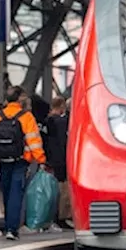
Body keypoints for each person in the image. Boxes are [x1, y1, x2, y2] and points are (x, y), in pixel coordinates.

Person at [0, 86, 48, 241]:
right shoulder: (26, 117)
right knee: (16, 193)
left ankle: (7, 224)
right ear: (20, 99)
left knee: (5, 191)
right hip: (20, 161)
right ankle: (12, 228)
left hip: (2, 160)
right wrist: (41, 160)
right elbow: (34, 141)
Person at [43, 95, 73, 230]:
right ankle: (63, 216)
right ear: (62, 107)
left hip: (48, 158)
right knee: (64, 188)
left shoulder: (46, 122)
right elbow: (63, 142)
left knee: (52, 189)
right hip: (61, 159)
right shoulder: (62, 123)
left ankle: (52, 216)